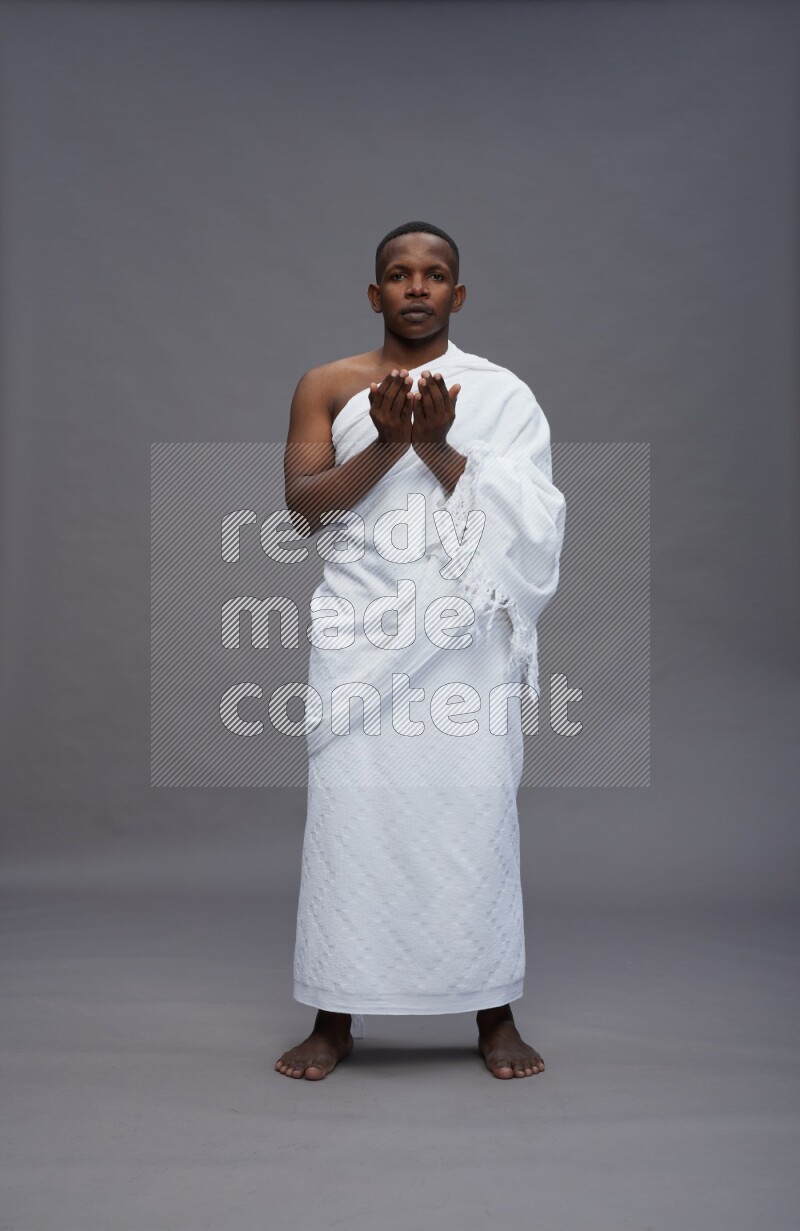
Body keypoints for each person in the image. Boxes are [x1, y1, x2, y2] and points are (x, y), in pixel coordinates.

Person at [275, 221, 566, 1080]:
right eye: (397, 274)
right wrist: (392, 445)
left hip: (461, 646)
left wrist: (437, 446)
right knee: (350, 819)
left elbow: (536, 520)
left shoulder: (501, 393)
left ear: (457, 295)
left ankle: (493, 1011)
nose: (415, 287)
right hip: (361, 636)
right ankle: (334, 1016)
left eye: (433, 275)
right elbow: (305, 506)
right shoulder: (326, 385)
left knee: (470, 819)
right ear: (374, 293)